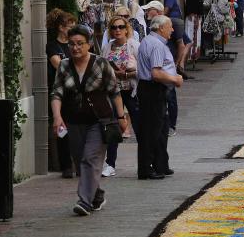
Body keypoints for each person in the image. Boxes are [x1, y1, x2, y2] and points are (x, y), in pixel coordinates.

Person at [51, 25, 127, 215]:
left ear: (89, 44)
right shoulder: (64, 65)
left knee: (90, 159)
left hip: (99, 121)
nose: (75, 48)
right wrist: (57, 116)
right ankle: (96, 194)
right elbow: (57, 93)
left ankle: (84, 201)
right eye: (71, 44)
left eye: (80, 44)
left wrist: (121, 117)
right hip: (74, 120)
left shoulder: (101, 63)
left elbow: (114, 91)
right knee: (79, 161)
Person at [135, 15, 183, 180]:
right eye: (170, 26)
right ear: (161, 28)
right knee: (151, 130)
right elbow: (156, 73)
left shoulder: (151, 41)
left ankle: (160, 164)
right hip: (152, 89)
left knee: (161, 128)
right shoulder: (156, 45)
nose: (172, 30)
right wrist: (175, 79)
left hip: (153, 89)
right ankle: (146, 169)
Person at [100, 16, 140, 177]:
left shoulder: (134, 45)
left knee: (138, 124)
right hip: (112, 91)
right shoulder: (107, 47)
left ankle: (146, 159)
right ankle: (110, 163)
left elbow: (143, 68)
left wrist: (128, 73)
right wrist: (113, 73)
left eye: (120, 27)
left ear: (126, 29)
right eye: (114, 27)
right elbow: (101, 68)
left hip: (130, 90)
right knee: (113, 126)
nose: (117, 30)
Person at [46, 8, 77, 178]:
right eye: (69, 26)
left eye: (73, 25)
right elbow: (58, 65)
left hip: (77, 90)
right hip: (61, 91)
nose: (72, 29)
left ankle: (78, 162)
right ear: (60, 27)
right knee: (62, 127)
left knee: (79, 127)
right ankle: (65, 165)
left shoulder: (75, 44)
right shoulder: (52, 46)